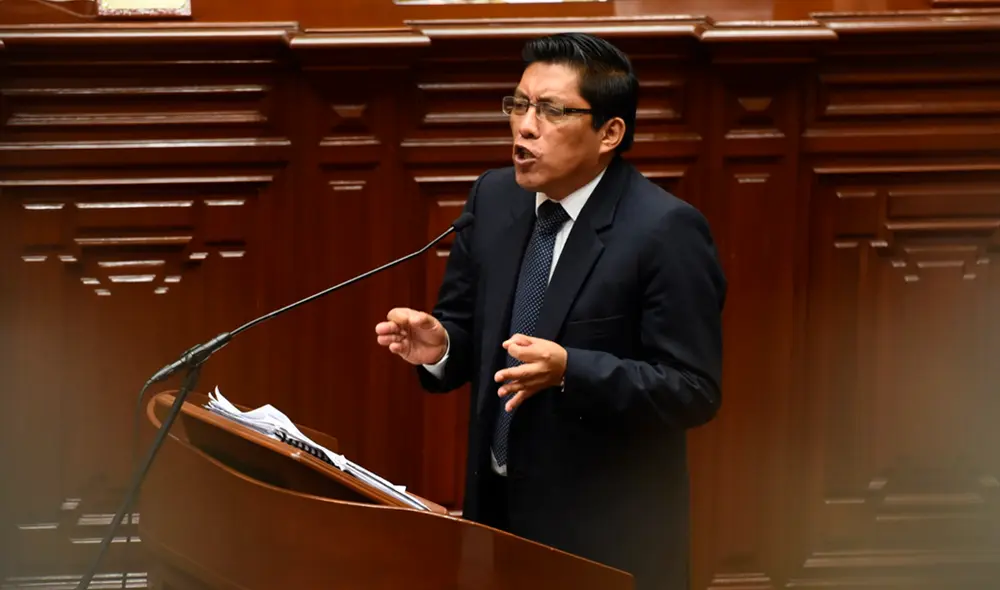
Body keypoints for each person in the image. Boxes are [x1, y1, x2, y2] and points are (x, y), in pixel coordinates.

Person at [375, 32, 726, 590]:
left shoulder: (664, 231)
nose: (525, 126)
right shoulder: (493, 199)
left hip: (606, 540)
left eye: (551, 110)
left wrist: (571, 370)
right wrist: (442, 346)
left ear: (610, 132)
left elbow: (692, 388)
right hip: (497, 518)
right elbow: (470, 331)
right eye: (519, 105)